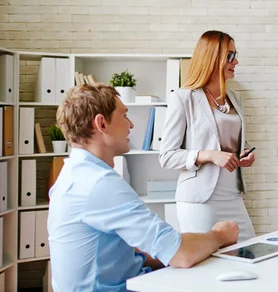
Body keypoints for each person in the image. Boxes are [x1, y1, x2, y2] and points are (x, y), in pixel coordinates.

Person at [48, 84, 239, 291]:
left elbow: (131, 255)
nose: (130, 125)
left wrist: (184, 249)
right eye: (124, 115)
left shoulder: (74, 175)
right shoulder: (99, 184)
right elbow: (182, 254)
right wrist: (219, 236)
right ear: (101, 124)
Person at [159, 30, 256, 241]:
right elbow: (166, 156)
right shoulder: (183, 98)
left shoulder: (235, 99)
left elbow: (231, 139)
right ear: (213, 58)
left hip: (233, 195)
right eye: (230, 55)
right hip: (199, 200)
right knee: (208, 263)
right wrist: (210, 155)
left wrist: (245, 152)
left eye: (235, 54)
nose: (236, 61)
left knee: (249, 253)